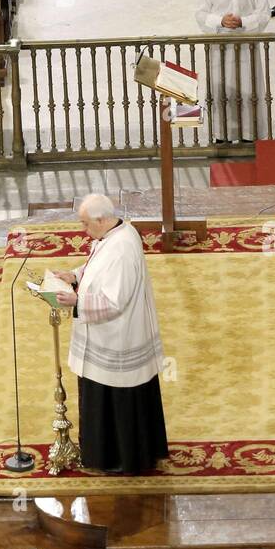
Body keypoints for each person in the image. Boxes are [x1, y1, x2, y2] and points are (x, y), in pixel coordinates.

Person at [52, 194, 168, 474]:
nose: (83, 230)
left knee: (115, 398)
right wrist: (75, 276)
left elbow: (116, 300)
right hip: (110, 335)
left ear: (101, 219)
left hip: (118, 338)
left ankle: (120, 459)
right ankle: (103, 454)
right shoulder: (113, 234)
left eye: (85, 224)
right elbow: (98, 269)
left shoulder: (123, 248)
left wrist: (77, 302)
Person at [195, 0, 272, 144]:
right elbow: (201, 15)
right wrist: (220, 20)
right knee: (222, 91)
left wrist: (242, 22)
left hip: (246, 48)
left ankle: (249, 134)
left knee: (248, 90)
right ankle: (222, 134)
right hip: (221, 48)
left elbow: (264, 14)